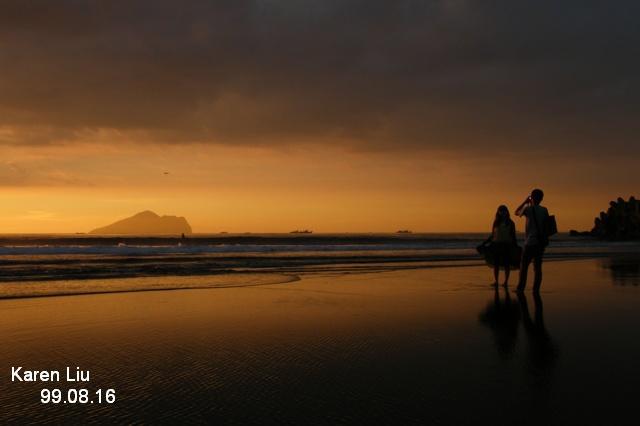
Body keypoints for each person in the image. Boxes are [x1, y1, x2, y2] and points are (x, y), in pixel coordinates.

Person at [515, 189, 549, 292]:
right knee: (537, 268)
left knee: (524, 266)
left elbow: (516, 212)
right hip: (540, 242)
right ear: (541, 199)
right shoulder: (544, 210)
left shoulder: (528, 209)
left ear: (532, 198)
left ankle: (521, 288)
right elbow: (546, 225)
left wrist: (525, 202)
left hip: (530, 242)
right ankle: (536, 289)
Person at [489, 205, 517, 286]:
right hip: (496, 244)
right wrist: (488, 242)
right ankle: (496, 281)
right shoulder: (496, 222)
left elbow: (513, 235)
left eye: (504, 211)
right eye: (500, 211)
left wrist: (515, 245)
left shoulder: (511, 223)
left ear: (507, 212)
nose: (502, 212)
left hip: (507, 244)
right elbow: (493, 234)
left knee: (506, 264)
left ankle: (506, 281)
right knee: (496, 264)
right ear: (498, 212)